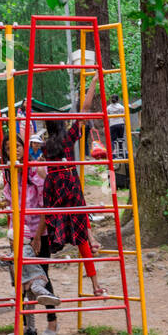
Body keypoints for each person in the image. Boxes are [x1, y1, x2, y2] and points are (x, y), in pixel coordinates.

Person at [42, 89, 106, 299]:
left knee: (74, 219)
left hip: (53, 187)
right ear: (62, 125)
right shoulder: (69, 138)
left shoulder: (45, 146)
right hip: (69, 182)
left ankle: (86, 237)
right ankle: (96, 283)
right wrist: (93, 83)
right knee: (81, 233)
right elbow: (85, 110)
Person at [0, 135, 60, 335]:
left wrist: (39, 236)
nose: (13, 150)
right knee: (20, 280)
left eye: (16, 146)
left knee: (41, 276)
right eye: (8, 147)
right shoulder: (10, 173)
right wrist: (2, 204)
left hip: (38, 232)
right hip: (18, 233)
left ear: (24, 148)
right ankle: (27, 326)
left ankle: (52, 321)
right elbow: (9, 199)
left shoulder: (36, 171)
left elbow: (46, 205)